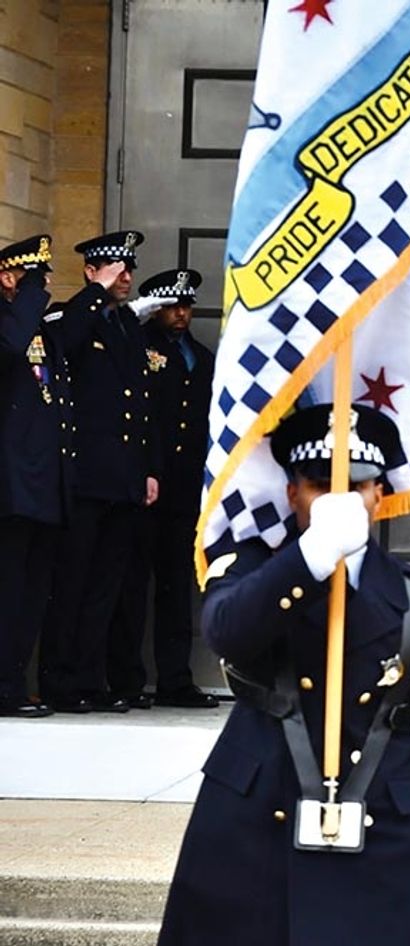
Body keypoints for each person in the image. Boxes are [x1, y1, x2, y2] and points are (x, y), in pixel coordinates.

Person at [158, 403, 410, 945]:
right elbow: (229, 632)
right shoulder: (249, 569)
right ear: (292, 494)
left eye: (357, 488)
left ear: (380, 496)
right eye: (319, 486)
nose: (340, 502)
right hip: (255, 830)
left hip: (381, 832)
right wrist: (311, 557)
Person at [38, 230, 163, 714]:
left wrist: (149, 469)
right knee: (72, 584)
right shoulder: (73, 315)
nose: (125, 276)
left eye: (128, 268)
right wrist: (93, 294)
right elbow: (64, 343)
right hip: (86, 479)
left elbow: (142, 403)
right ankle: (58, 681)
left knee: (106, 588)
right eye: (114, 268)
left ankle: (90, 679)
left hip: (124, 480)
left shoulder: (128, 327)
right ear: (91, 271)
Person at [110, 269, 218, 708]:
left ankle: (176, 678)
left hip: (185, 488)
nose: (181, 314)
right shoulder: (138, 347)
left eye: (187, 306)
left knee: (176, 586)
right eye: (172, 307)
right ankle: (126, 680)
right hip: (144, 485)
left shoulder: (202, 356)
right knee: (131, 586)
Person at [0, 235, 70, 717]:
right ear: (7, 277)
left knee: (31, 593)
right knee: (8, 591)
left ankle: (17, 680)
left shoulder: (34, 326)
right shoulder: (11, 325)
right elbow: (8, 348)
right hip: (8, 484)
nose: (42, 288)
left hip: (43, 483)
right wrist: (27, 301)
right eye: (33, 278)